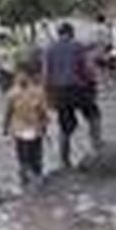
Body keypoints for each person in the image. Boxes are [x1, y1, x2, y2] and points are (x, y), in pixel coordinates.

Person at [43, 22, 102, 168]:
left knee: (65, 126)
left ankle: (64, 159)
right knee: (94, 115)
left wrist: (48, 96)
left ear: (59, 33)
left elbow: (46, 75)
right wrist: (93, 83)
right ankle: (97, 145)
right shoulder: (78, 47)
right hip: (79, 89)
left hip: (60, 92)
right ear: (71, 33)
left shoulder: (49, 50)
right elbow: (87, 68)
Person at [2, 65, 51, 189]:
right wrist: (5, 127)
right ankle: (26, 179)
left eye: (23, 75)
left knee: (36, 155)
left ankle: (36, 176)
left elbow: (43, 111)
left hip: (35, 128)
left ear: (29, 77)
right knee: (23, 156)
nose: (21, 78)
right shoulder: (12, 94)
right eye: (18, 76)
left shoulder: (38, 92)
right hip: (19, 130)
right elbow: (8, 112)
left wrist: (45, 126)